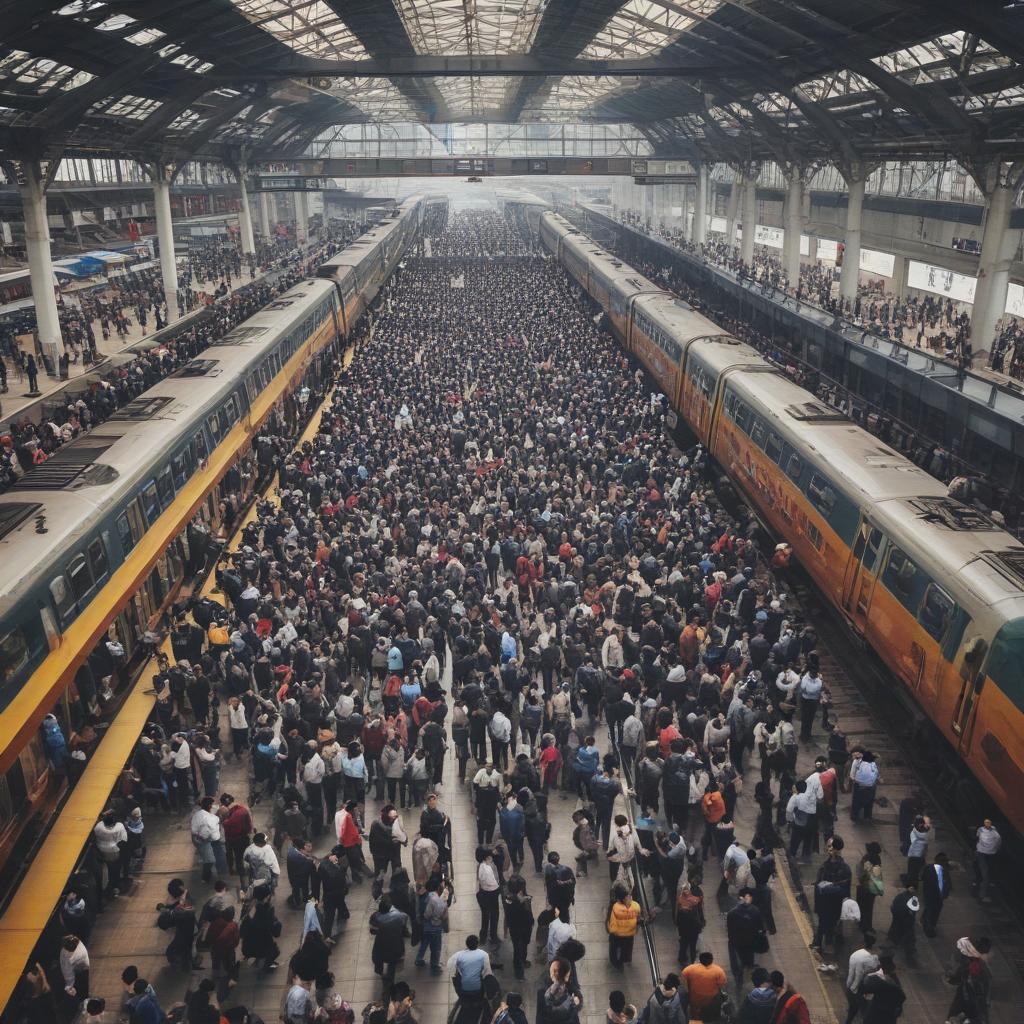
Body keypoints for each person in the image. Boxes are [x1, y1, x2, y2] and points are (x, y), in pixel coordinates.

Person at [369, 895, 411, 998]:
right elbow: (404, 925)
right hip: (395, 945)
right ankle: (390, 982)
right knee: (392, 964)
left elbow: (373, 931)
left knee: (378, 960)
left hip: (381, 945)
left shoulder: (376, 917)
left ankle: (381, 974)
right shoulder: (400, 915)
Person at [945, 936, 992, 1024]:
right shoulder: (978, 966)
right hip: (971, 998)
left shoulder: (969, 960)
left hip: (966, 995)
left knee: (955, 1015)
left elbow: (956, 976)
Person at [726, 888, 765, 989]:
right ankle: (749, 967)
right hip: (750, 941)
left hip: (736, 941)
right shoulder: (755, 911)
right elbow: (760, 927)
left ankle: (739, 979)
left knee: (736, 960)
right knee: (748, 957)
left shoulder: (731, 913)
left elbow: (729, 930)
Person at [414, 877, 449, 975]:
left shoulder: (425, 896)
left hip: (426, 927)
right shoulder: (439, 901)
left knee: (424, 943)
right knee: (436, 948)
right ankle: (434, 966)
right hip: (436, 928)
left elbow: (423, 914)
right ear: (437, 888)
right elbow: (442, 916)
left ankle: (419, 959)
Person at [844, 933, 879, 1024]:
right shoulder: (872, 958)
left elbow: (852, 972)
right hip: (860, 987)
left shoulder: (856, 954)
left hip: (851, 983)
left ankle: (849, 1020)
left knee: (853, 1006)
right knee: (863, 1008)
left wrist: (849, 986)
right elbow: (861, 974)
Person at [681, 951, 727, 1021]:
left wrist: (688, 991)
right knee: (712, 1018)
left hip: (695, 1000)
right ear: (711, 960)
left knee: (695, 1018)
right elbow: (722, 985)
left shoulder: (689, 969)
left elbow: (683, 982)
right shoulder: (719, 971)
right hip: (712, 1001)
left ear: (700, 960)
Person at [860, 956, 905, 1024]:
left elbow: (866, 989)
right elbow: (902, 996)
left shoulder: (882, 981)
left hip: (878, 1012)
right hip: (887, 1013)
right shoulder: (891, 980)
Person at [606, 885, 641, 970]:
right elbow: (638, 917)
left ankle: (615, 961)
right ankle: (623, 960)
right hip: (629, 933)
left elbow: (609, 919)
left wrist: (609, 928)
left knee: (614, 948)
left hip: (616, 933)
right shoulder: (635, 906)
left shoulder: (614, 906)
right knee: (626, 948)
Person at [674, 879, 705, 965]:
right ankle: (690, 959)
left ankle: (684, 958)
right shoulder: (694, 901)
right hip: (690, 928)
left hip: (687, 928)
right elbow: (698, 914)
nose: (686, 891)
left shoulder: (681, 900)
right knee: (690, 945)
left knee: (686, 944)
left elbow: (678, 917)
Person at [920, 852, 951, 937]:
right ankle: (929, 927)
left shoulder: (942, 870)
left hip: (936, 895)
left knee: (932, 909)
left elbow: (947, 882)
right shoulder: (931, 869)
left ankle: (925, 920)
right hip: (932, 895)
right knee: (932, 912)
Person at [59, 935, 90, 1010]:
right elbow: (67, 972)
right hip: (80, 973)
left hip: (85, 969)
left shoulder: (80, 946)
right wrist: (70, 986)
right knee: (81, 990)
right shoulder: (65, 954)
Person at [972, 819, 1000, 902]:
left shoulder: (981, 831)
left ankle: (977, 892)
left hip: (980, 854)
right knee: (986, 875)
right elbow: (998, 846)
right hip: (987, 855)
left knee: (980, 873)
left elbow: (976, 838)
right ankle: (981, 895)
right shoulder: (997, 836)